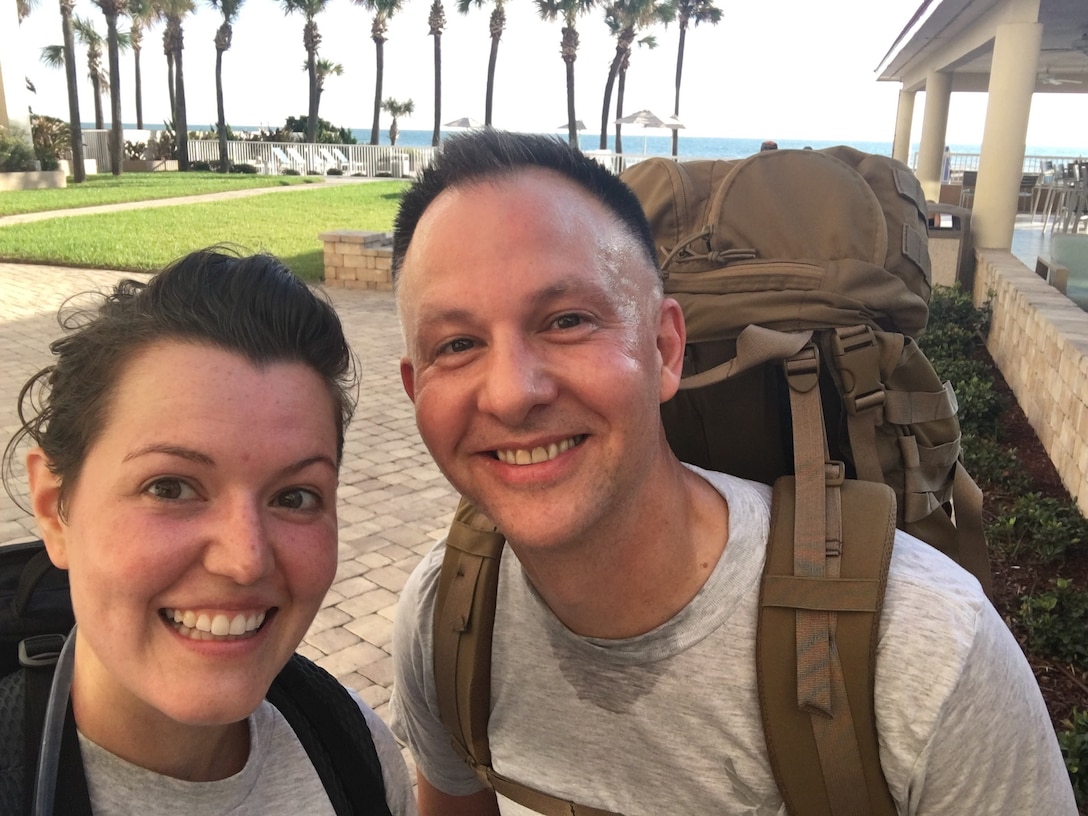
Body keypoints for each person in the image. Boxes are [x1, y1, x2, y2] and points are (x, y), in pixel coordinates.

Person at [388, 130, 1077, 815]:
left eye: (567, 320)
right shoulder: (447, 618)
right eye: (457, 344)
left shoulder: (927, 654)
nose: (511, 392)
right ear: (416, 389)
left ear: (665, 348)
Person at [0, 249, 416, 816]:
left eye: (294, 497)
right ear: (54, 509)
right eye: (170, 488)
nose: (244, 560)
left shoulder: (352, 751)